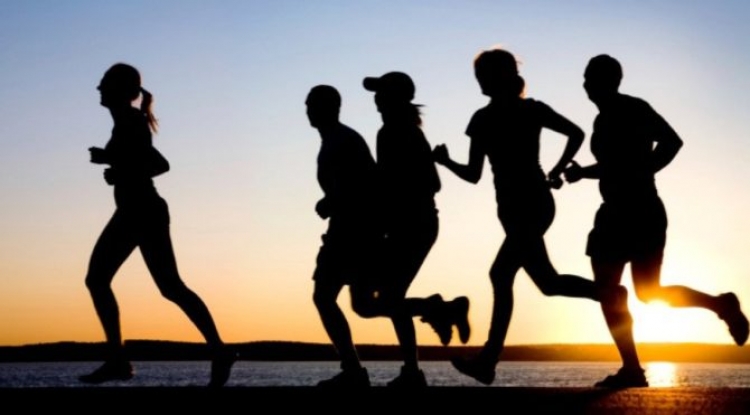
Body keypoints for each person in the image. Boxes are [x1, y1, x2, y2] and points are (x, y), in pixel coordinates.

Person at [433, 48, 620, 385]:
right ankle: (608, 293)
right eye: (478, 76)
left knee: (500, 273)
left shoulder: (523, 111)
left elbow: (576, 133)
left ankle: (488, 359)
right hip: (515, 207)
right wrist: (446, 163)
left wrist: (556, 170)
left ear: (501, 76)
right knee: (548, 283)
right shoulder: (490, 117)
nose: (479, 82)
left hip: (531, 204)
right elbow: (475, 174)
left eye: (483, 75)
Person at [563, 54, 749, 388]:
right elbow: (613, 167)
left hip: (642, 209)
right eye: (585, 78)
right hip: (613, 212)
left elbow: (672, 141)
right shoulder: (601, 121)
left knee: (647, 293)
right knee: (609, 290)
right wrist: (582, 174)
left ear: (610, 81)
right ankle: (632, 368)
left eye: (592, 78)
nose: (586, 85)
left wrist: (643, 170)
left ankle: (720, 305)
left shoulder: (634, 108)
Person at [81, 63, 235, 387]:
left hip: (140, 211)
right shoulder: (126, 121)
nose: (98, 88)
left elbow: (160, 165)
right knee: (169, 287)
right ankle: (219, 351)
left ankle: (118, 360)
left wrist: (113, 162)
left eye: (104, 83)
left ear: (120, 90)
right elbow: (142, 163)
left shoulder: (131, 120)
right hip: (140, 211)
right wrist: (116, 167)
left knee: (100, 279)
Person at [308, 82, 470, 389]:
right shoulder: (392, 132)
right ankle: (422, 342)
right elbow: (396, 182)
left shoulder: (371, 136)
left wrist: (335, 201)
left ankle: (367, 369)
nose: (376, 99)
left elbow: (371, 184)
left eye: (381, 93)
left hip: (372, 230)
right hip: (387, 227)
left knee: (333, 297)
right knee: (369, 304)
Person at [360, 71, 470, 388]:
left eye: (381, 92)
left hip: (411, 225)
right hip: (417, 223)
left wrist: (389, 201)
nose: (376, 99)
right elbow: (430, 182)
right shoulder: (408, 131)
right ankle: (414, 366)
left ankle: (440, 311)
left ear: (392, 98)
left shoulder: (392, 132)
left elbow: (412, 184)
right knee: (386, 299)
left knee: (376, 302)